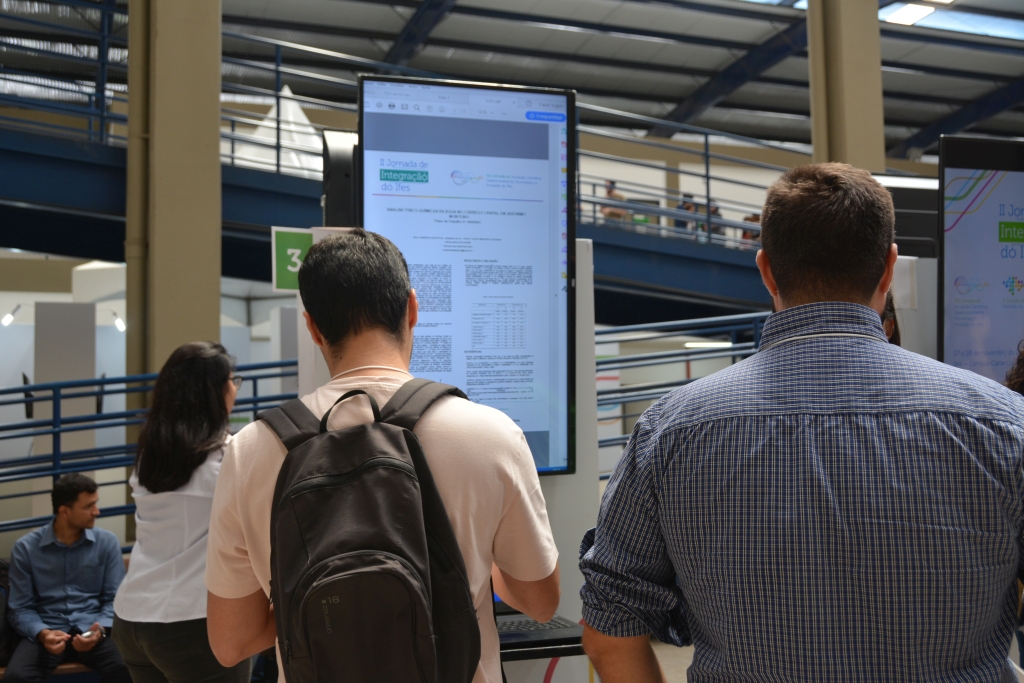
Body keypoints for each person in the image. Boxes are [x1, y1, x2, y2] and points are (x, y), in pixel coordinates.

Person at [579, 163, 1024, 682]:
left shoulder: (669, 432)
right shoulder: (1002, 425)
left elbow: (609, 631)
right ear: (889, 268)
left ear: (766, 270)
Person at [204, 230, 561, 683]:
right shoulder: (491, 433)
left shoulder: (250, 450)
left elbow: (231, 641)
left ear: (313, 327)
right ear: (412, 309)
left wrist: (337, 612)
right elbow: (541, 602)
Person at [112, 341, 250, 683]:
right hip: (195, 622)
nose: (235, 389)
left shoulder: (150, 456)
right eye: (232, 380)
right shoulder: (229, 457)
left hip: (133, 616)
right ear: (214, 392)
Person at [6, 474, 130, 683]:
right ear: (64, 511)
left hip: (93, 628)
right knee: (16, 678)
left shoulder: (106, 542)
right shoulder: (26, 548)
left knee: (129, 668)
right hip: (47, 629)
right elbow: (20, 607)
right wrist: (43, 633)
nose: (96, 511)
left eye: (96, 504)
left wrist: (100, 631)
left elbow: (115, 599)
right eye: (88, 506)